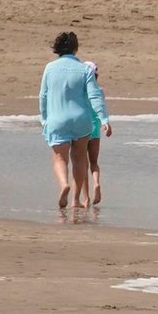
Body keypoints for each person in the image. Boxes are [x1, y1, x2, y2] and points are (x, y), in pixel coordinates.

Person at [39, 30, 108, 210]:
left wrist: (44, 119)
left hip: (57, 119)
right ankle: (76, 200)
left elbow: (43, 96)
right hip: (81, 120)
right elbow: (94, 95)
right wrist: (104, 119)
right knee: (79, 160)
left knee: (60, 158)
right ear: (76, 49)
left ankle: (64, 185)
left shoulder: (49, 68)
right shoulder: (85, 69)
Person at [75, 59, 112, 207]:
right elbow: (101, 108)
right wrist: (106, 123)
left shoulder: (79, 92)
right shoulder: (99, 92)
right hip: (95, 129)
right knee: (94, 163)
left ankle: (86, 198)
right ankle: (96, 183)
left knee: (82, 163)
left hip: (83, 129)